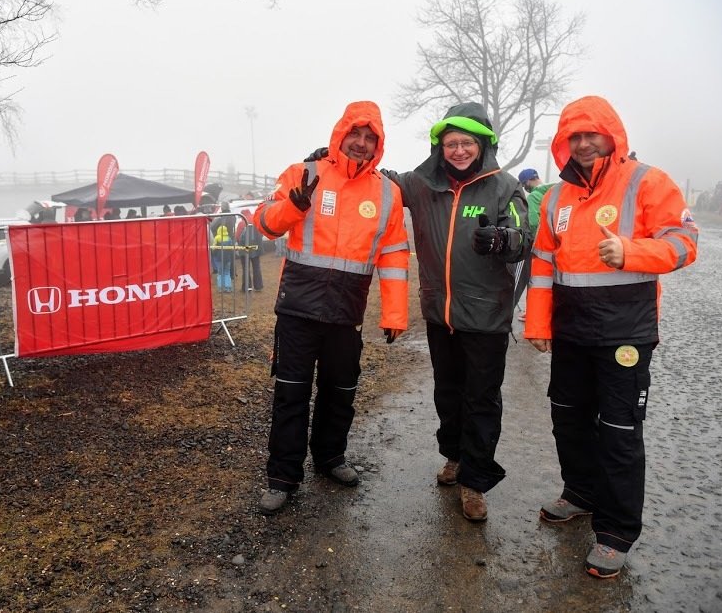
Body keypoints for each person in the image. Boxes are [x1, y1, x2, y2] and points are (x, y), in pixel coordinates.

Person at [524, 95, 698, 578]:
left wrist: (631, 251)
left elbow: (684, 244)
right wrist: (538, 324)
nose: (582, 144)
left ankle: (616, 532)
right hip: (572, 334)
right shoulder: (557, 196)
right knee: (568, 419)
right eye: (573, 136)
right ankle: (579, 493)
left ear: (611, 135)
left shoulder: (647, 181)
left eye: (590, 135)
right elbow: (542, 264)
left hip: (626, 334)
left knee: (619, 433)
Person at [253, 100, 409, 515]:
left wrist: (394, 313)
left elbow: (393, 255)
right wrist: (293, 205)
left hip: (347, 312)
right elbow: (265, 224)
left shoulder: (388, 193)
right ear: (339, 135)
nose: (360, 143)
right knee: (291, 395)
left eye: (369, 137)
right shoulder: (304, 174)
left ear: (378, 144)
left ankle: (329, 458)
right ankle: (282, 477)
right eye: (354, 134)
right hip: (298, 309)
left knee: (340, 392)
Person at [381, 102, 529, 522]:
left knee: (481, 400)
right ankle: (454, 457)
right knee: (448, 393)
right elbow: (380, 183)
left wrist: (501, 239)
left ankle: (475, 481)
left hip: (486, 318)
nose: (459, 150)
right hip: (440, 314)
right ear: (439, 147)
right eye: (451, 143)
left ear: (483, 144)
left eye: (467, 142)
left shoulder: (504, 186)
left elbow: (522, 236)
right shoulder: (421, 185)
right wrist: (333, 160)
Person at [512, 168, 553, 320]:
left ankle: (506, 312)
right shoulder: (553, 193)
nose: (524, 188)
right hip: (554, 247)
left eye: (524, 185)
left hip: (536, 246)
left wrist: (530, 242)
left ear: (528, 181)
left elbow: (533, 222)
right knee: (544, 282)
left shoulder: (534, 196)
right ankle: (538, 313)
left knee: (524, 279)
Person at [209, 202, 236, 292]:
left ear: (222, 208)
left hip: (220, 246)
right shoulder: (233, 216)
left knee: (221, 271)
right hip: (230, 239)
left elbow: (212, 226)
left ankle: (221, 287)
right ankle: (229, 282)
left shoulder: (222, 217)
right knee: (230, 261)